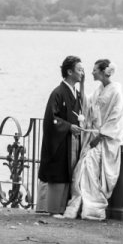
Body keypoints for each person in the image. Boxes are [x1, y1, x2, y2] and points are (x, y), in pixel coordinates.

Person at [57, 58, 123, 221]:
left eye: (94, 70)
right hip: (94, 137)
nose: (91, 72)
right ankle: (81, 206)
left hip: (104, 139)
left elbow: (116, 117)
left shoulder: (116, 91)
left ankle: (93, 209)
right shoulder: (98, 90)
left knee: (90, 167)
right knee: (82, 168)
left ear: (103, 72)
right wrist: (81, 84)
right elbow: (87, 105)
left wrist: (101, 136)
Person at [36, 55, 84, 215]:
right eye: (79, 69)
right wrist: (69, 126)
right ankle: (52, 207)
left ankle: (63, 207)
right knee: (58, 171)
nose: (82, 72)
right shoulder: (58, 93)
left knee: (68, 171)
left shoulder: (76, 93)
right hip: (61, 141)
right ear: (69, 72)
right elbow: (51, 119)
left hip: (70, 140)